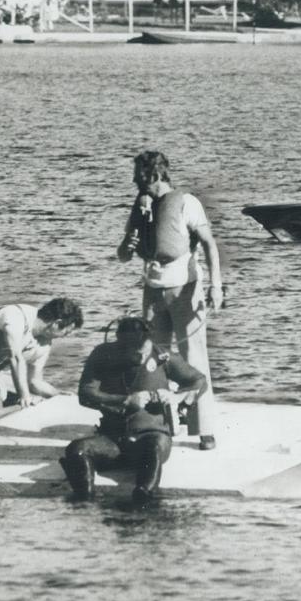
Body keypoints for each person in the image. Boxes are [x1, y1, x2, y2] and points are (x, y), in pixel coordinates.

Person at [116, 150, 222, 446]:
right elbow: (123, 255)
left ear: (155, 175)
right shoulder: (140, 207)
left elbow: (209, 245)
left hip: (185, 288)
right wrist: (128, 243)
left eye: (140, 177)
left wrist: (216, 285)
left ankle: (204, 429)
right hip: (153, 289)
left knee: (193, 358)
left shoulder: (186, 202)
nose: (136, 182)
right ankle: (158, 423)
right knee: (153, 356)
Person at [59, 316, 208, 502]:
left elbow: (199, 381)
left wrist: (177, 397)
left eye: (144, 351)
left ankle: (145, 497)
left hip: (151, 437)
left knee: (152, 451)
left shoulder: (164, 357)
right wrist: (126, 400)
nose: (141, 357)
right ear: (120, 344)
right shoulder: (103, 354)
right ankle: (85, 502)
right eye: (135, 353)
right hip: (112, 438)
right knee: (76, 450)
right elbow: (85, 394)